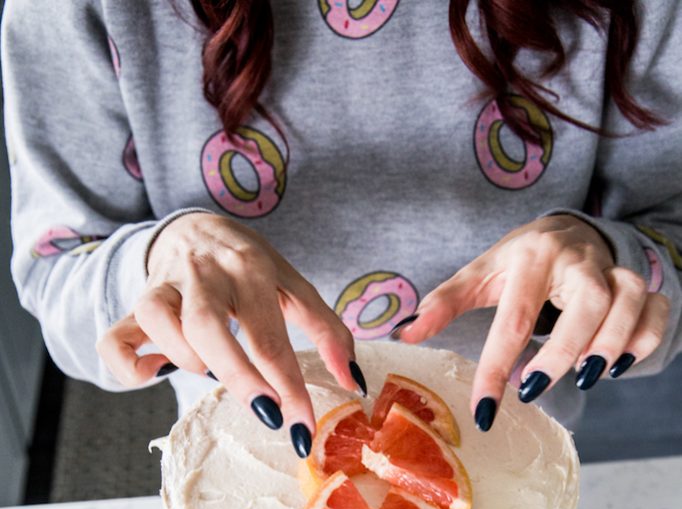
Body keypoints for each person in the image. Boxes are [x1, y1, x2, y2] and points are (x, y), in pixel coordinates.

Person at [2, 0, 681, 458]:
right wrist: (155, 261)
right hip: (245, 478)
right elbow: (59, 266)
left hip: (521, 467)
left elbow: (669, 234)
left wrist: (611, 268)